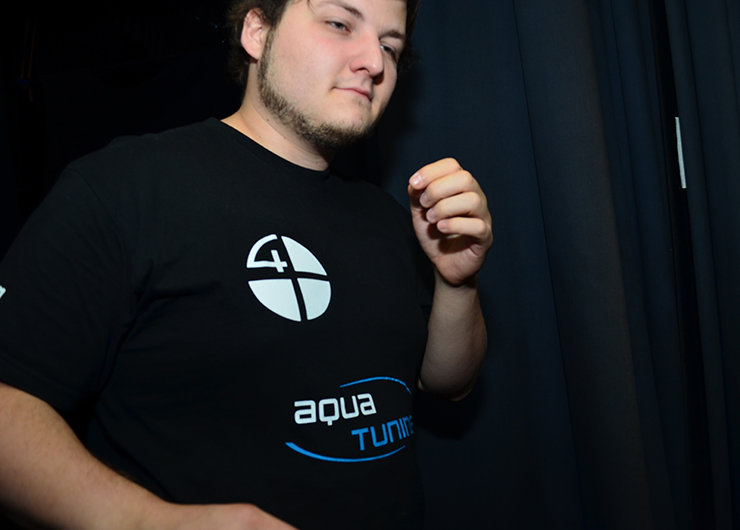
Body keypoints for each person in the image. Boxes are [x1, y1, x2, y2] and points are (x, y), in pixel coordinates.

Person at [0, 0, 492, 528]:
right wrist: (153, 522)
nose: (374, 61)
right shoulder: (124, 189)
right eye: (339, 23)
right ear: (257, 32)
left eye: (390, 47)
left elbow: (448, 382)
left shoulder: (390, 218)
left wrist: (456, 284)